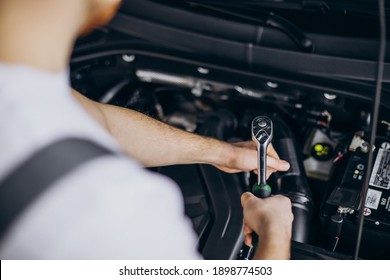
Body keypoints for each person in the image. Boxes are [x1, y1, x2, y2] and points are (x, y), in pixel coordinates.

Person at [0, 0, 293, 259]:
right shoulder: (106, 209)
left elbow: (104, 122)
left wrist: (223, 154)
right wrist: (276, 231)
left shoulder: (28, 95)